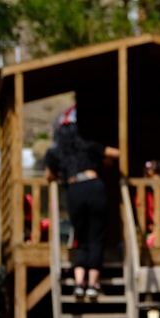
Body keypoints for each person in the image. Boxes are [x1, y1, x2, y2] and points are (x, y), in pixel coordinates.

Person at [44, 105, 120, 300]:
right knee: (97, 236)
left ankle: (79, 284)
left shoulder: (55, 152)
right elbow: (115, 153)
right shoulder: (86, 145)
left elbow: (49, 176)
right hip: (95, 187)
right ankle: (93, 284)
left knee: (81, 237)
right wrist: (105, 161)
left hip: (74, 190)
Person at [143, 159, 160, 248]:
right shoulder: (146, 184)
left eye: (151, 169)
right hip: (151, 211)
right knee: (154, 227)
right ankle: (155, 241)